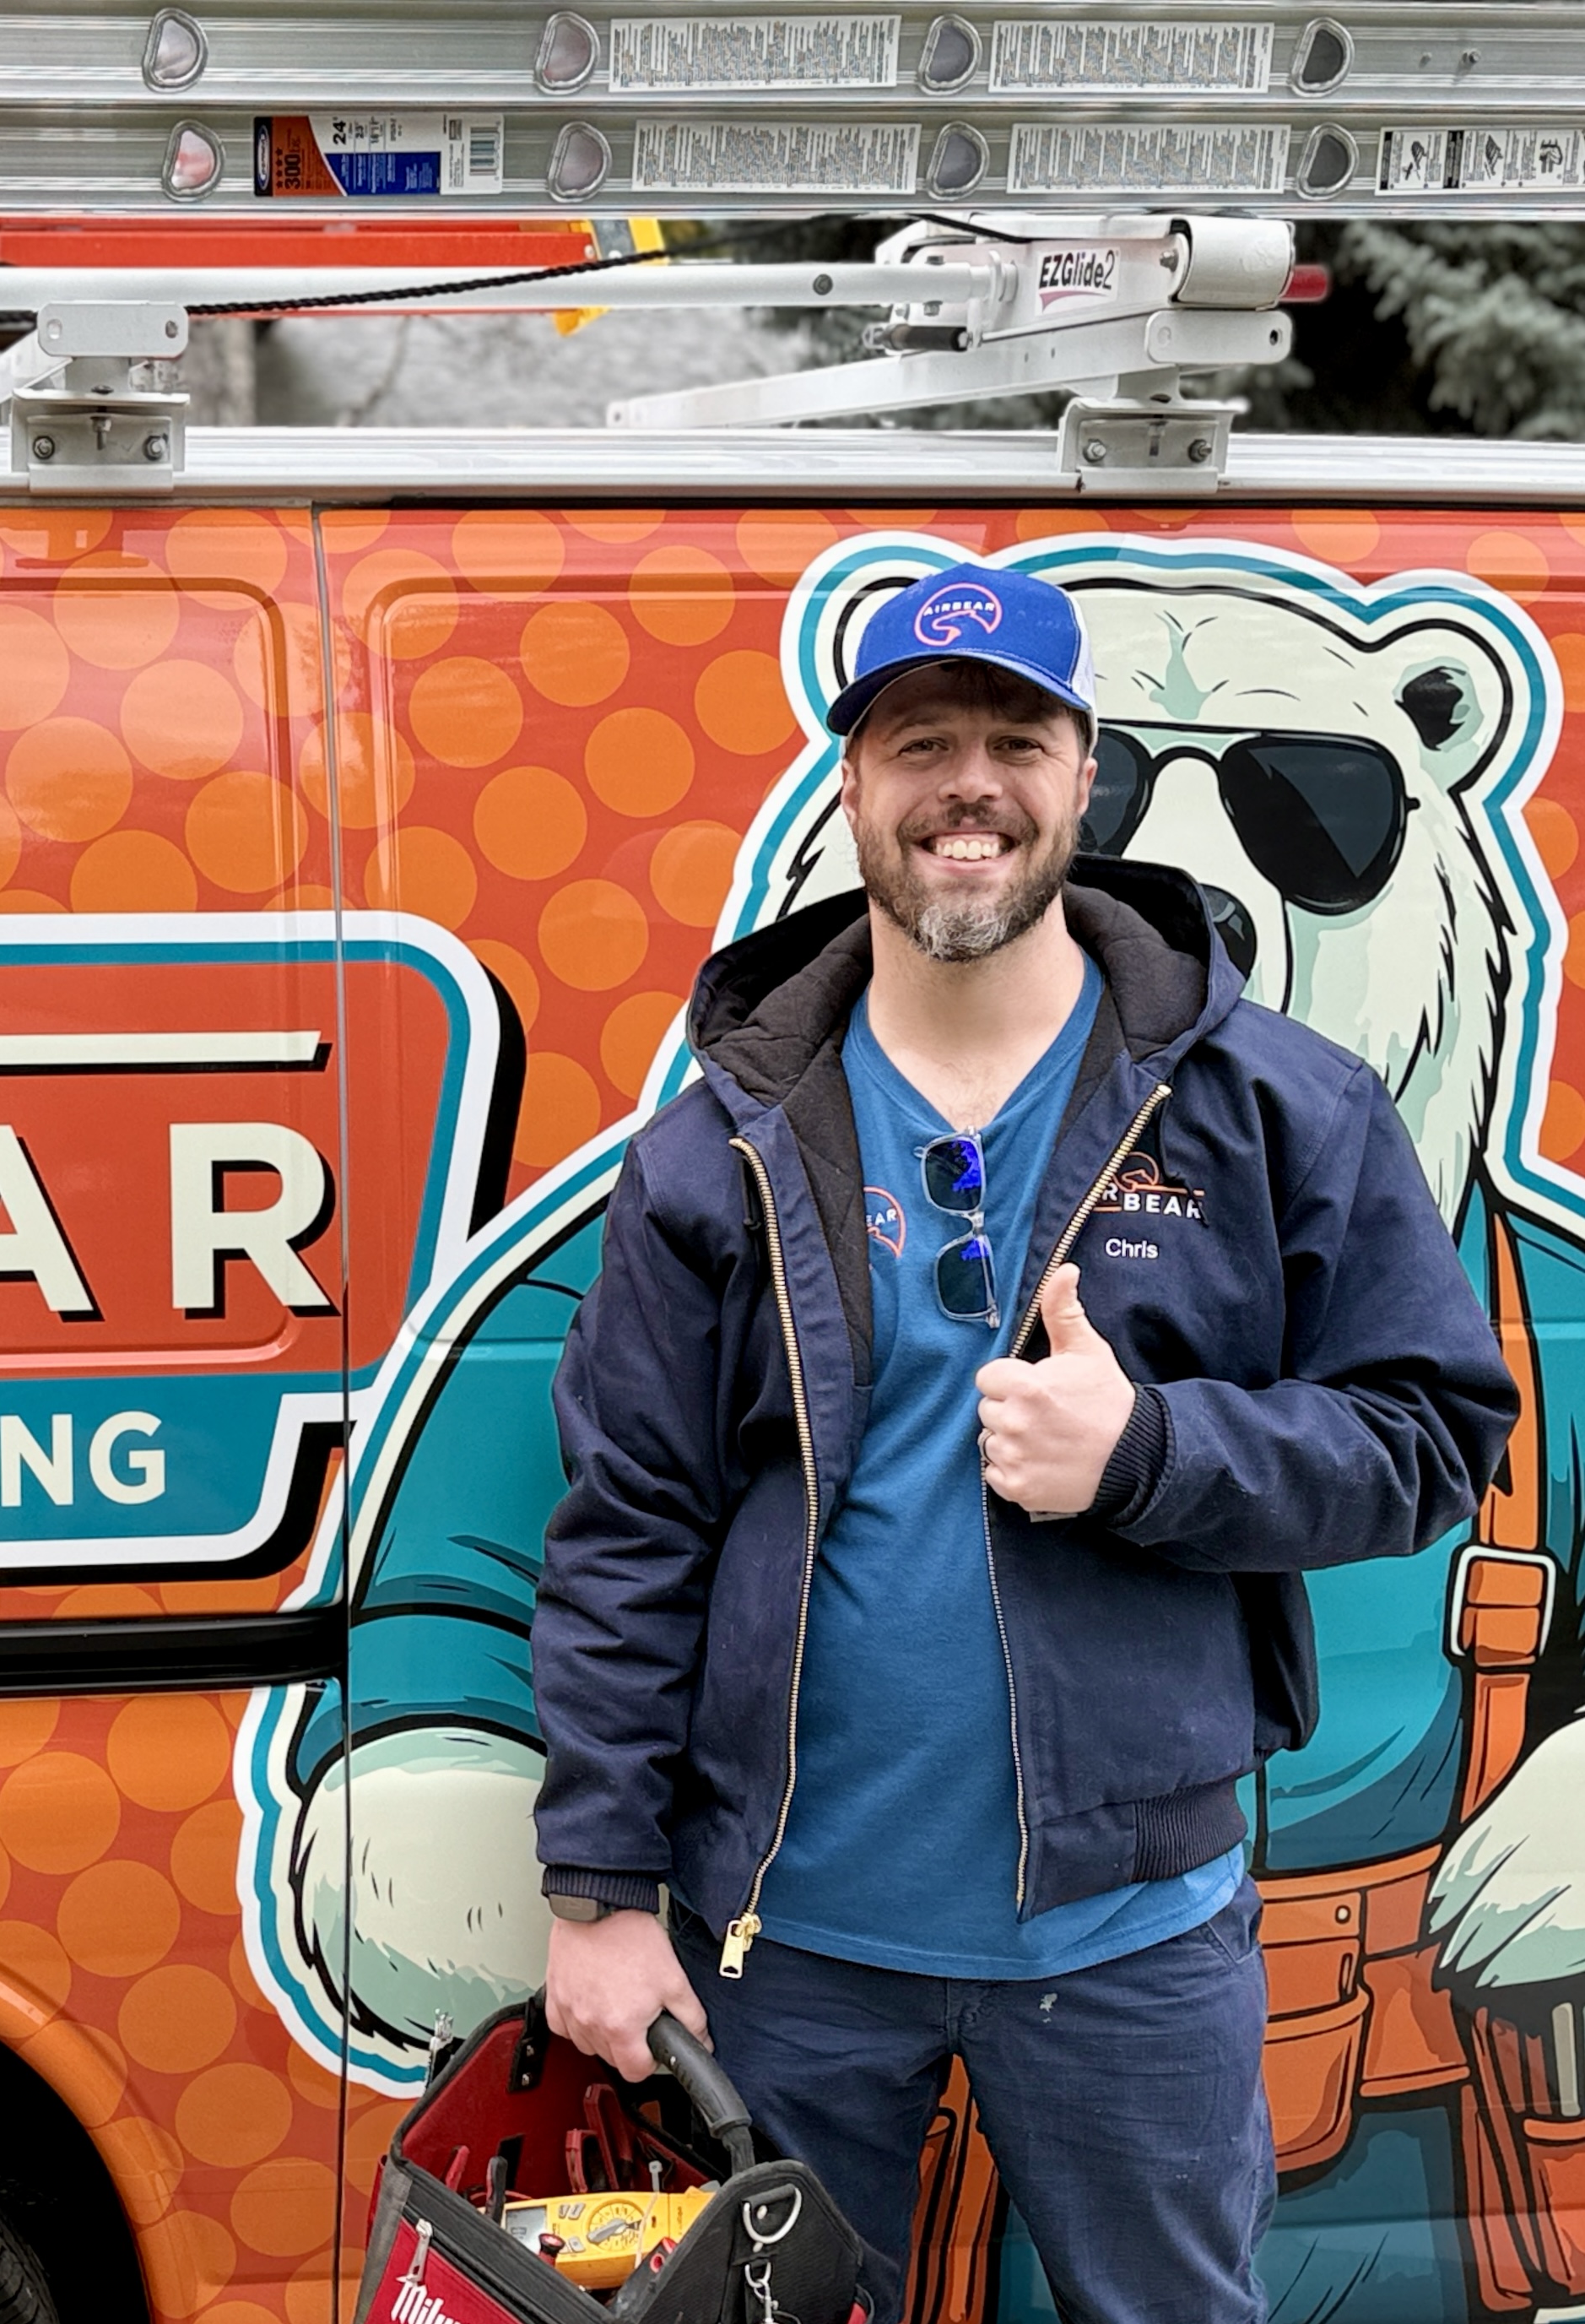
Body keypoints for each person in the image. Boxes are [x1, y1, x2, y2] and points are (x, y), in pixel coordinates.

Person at [527, 559, 1517, 2318]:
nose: (965, 783)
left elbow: (1431, 1434)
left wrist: (1148, 1454)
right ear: (854, 788)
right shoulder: (726, 1140)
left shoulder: (1274, 1103)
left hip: (1132, 1938)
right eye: (921, 741)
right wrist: (599, 1885)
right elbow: (632, 1527)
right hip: (786, 1947)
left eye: (1012, 737)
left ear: (1079, 772)